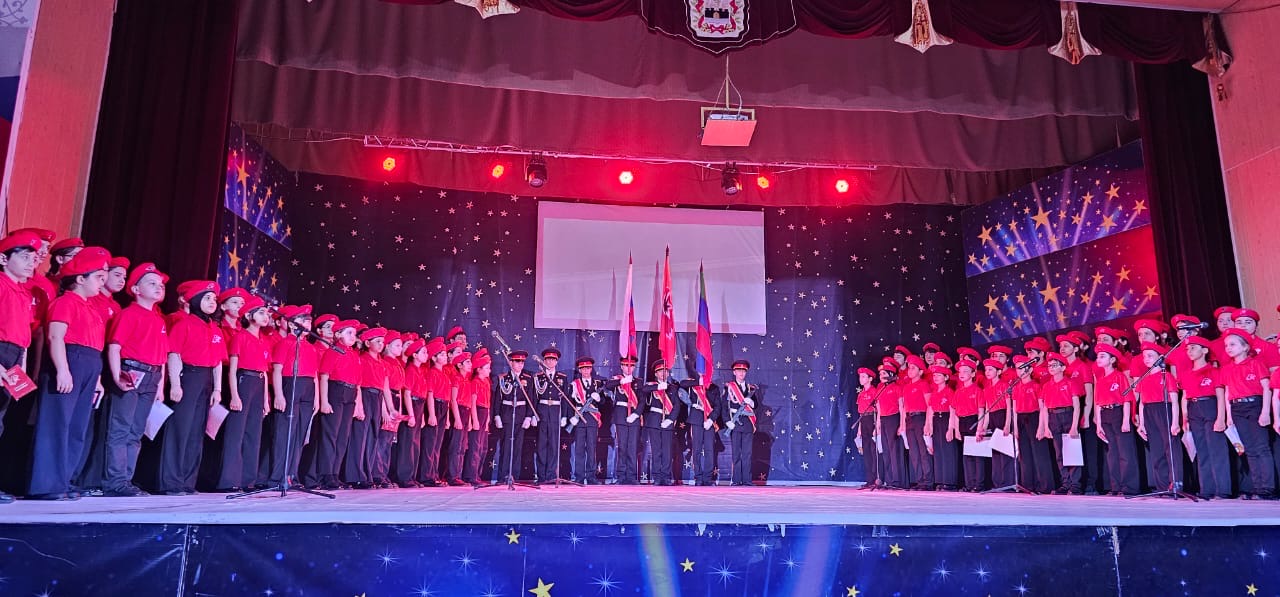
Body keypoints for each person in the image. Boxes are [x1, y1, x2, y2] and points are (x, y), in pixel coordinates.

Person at [27, 247, 110, 500]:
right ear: (80, 278)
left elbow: (95, 346)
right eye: (98, 277)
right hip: (69, 360)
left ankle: (65, 479)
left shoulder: (91, 308)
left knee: (77, 426)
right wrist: (62, 370)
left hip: (89, 364)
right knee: (56, 424)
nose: (102, 283)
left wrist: (97, 378)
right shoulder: (65, 302)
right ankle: (47, 484)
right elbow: (55, 337)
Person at [102, 263, 170, 497]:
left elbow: (162, 356)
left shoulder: (159, 320)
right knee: (121, 428)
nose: (158, 287)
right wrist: (116, 375)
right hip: (131, 372)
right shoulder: (128, 314)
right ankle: (115, 482)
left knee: (137, 430)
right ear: (135, 289)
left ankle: (127, 479)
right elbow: (114, 347)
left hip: (152, 376)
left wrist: (160, 386)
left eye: (160, 285)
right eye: (152, 283)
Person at [158, 281, 226, 495]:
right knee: (180, 429)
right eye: (207, 298)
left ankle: (188, 481)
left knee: (197, 431)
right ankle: (171, 482)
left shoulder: (215, 329)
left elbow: (218, 362)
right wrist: (175, 384)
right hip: (188, 376)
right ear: (195, 301)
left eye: (214, 299)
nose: (212, 302)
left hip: (206, 380)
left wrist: (217, 389)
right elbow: (174, 354)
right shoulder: (183, 324)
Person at [216, 295, 271, 492]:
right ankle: (229, 480)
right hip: (243, 381)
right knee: (236, 433)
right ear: (249, 315)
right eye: (261, 313)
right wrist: (235, 395)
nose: (266, 316)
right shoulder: (240, 337)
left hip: (259, 383)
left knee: (253, 433)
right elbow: (232, 370)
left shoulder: (264, 340)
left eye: (266, 313)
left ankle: (248, 480)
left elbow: (265, 371)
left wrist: (265, 400)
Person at [267, 305, 318, 487]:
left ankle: (292, 474)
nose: (307, 323)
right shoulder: (284, 343)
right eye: (302, 320)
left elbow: (315, 374)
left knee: (299, 434)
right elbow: (277, 370)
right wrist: (279, 395)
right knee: (285, 432)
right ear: (291, 324)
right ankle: (277, 477)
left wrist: (317, 399)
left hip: (308, 388)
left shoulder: (310, 347)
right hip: (291, 384)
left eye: (308, 321)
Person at [1219, 327, 1274, 499]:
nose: (1228, 348)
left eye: (1233, 344)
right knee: (1248, 449)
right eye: (1226, 345)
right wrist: (1229, 416)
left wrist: (1265, 412)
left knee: (1261, 447)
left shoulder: (1255, 364)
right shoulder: (1226, 368)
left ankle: (1268, 488)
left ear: (1245, 347)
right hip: (1237, 409)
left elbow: (1267, 388)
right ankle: (1257, 487)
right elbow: (1227, 392)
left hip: (1255, 405)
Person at [1178, 336, 1229, 499]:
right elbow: (1185, 396)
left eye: (1193, 347)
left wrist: (1221, 417)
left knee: (1216, 448)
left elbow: (1221, 396)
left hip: (1210, 405)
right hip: (1193, 408)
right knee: (1201, 449)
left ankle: (1223, 489)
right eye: (1188, 349)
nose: (1189, 351)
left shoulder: (1213, 371)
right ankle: (1207, 488)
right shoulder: (1186, 374)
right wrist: (1184, 417)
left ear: (1205, 350)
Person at [1134, 342, 1184, 493]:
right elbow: (1141, 403)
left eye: (1150, 356)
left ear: (1160, 357)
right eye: (1144, 356)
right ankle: (1161, 486)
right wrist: (1141, 424)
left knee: (1171, 448)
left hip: (1164, 410)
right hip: (1149, 412)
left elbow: (1174, 401)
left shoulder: (1167, 376)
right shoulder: (1144, 378)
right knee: (1156, 450)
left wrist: (1175, 422)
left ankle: (1175, 483)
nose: (1146, 359)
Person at [317, 319, 361, 490]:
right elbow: (324, 377)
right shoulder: (333, 351)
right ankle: (326, 474)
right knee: (331, 434)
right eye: (349, 332)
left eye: (354, 333)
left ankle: (335, 473)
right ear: (337, 334)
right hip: (336, 391)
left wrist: (357, 403)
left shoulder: (353, 354)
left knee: (343, 436)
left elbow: (357, 381)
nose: (352, 336)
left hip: (350, 393)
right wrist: (324, 401)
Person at [346, 327, 389, 489]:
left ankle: (367, 473)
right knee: (360, 436)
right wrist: (359, 405)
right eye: (377, 341)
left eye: (382, 342)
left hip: (377, 397)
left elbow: (383, 387)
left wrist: (386, 409)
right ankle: (355, 476)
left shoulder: (381, 363)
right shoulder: (362, 359)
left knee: (372, 436)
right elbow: (358, 383)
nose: (381, 344)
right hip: (364, 395)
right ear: (367, 343)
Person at [1094, 344, 1139, 496]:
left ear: (1112, 360)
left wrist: (1126, 419)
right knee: (1112, 452)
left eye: (1102, 356)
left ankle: (1129, 487)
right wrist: (1099, 424)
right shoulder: (1100, 380)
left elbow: (1127, 399)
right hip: (1105, 414)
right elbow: (1098, 403)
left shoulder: (1120, 376)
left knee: (1125, 452)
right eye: (1098, 356)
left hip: (1118, 413)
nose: (1098, 359)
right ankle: (1116, 486)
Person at [1041, 353, 1082, 494]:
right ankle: (1065, 483)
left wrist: (1074, 426)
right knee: (1059, 453)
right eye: (1049, 366)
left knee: (1072, 451)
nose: (1051, 368)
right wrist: (1046, 427)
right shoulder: (1046, 386)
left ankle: (1075, 485)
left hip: (1068, 415)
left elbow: (1077, 406)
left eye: (1055, 365)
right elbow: (1045, 408)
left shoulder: (1071, 383)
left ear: (1063, 368)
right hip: (1053, 417)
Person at [1010, 355, 1052, 493]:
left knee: (1039, 453)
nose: (1020, 371)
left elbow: (1042, 407)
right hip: (1021, 419)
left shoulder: (1036, 385)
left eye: (1022, 368)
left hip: (1034, 418)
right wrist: (1015, 427)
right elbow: (1014, 409)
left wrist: (1041, 426)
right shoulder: (1015, 387)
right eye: (1017, 368)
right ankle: (1027, 485)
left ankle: (1044, 486)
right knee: (1025, 454)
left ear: (1030, 370)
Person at [492, 349, 534, 484]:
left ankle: (514, 475)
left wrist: (529, 416)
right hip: (506, 414)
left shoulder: (528, 379)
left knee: (517, 447)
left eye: (522, 362)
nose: (520, 364)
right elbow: (497, 398)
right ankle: (503, 475)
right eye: (517, 361)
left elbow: (531, 399)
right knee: (506, 446)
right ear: (511, 363)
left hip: (521, 415)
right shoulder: (503, 378)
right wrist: (497, 415)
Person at [394, 338, 428, 487]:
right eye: (423, 352)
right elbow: (407, 394)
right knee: (407, 442)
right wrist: (411, 415)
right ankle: (404, 477)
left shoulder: (419, 370)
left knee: (415, 443)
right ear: (414, 355)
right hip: (412, 405)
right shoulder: (410, 370)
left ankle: (411, 476)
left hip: (419, 405)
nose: (426, 355)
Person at [373, 331, 405, 489]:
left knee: (389, 441)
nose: (400, 348)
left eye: (401, 345)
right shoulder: (385, 362)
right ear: (387, 346)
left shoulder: (397, 364)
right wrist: (385, 409)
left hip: (395, 399)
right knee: (382, 440)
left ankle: (384, 474)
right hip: (387, 399)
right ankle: (377, 475)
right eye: (397, 345)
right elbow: (384, 387)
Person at [532, 347, 569, 484]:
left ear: (556, 361)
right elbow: (534, 397)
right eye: (548, 359)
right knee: (541, 445)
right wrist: (533, 415)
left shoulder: (562, 378)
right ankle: (541, 475)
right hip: (542, 412)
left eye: (553, 359)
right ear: (544, 361)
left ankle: (551, 475)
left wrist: (564, 416)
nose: (550, 362)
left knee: (554, 445)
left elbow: (565, 398)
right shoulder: (538, 377)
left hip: (555, 412)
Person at [417, 337, 450, 487]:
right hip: (434, 406)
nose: (445, 357)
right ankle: (426, 476)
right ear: (434, 358)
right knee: (430, 443)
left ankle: (434, 474)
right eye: (442, 354)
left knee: (437, 443)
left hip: (443, 407)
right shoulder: (432, 373)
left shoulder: (444, 374)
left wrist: (446, 417)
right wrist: (431, 414)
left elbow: (447, 398)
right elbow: (430, 394)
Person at [605, 354, 643, 485]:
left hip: (634, 417)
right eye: (626, 365)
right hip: (621, 416)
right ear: (621, 366)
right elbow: (608, 386)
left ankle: (631, 476)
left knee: (632, 447)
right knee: (622, 446)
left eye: (631, 366)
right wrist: (621, 382)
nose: (629, 368)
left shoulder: (638, 382)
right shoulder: (617, 379)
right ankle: (621, 475)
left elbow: (642, 401)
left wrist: (636, 414)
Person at [680, 370, 722, 487]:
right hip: (696, 419)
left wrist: (711, 420)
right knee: (696, 449)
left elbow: (718, 407)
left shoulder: (714, 388)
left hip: (709, 421)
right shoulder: (694, 384)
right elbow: (682, 384)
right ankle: (698, 477)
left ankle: (707, 478)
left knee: (709, 450)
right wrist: (698, 382)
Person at [568, 356, 605, 485]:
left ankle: (591, 476)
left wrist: (599, 399)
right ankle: (579, 476)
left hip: (592, 419)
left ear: (591, 369)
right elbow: (569, 403)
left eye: (588, 368)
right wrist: (571, 418)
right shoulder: (574, 384)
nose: (586, 371)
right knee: (579, 448)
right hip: (579, 418)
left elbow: (604, 402)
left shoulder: (597, 384)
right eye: (583, 368)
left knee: (591, 448)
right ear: (579, 370)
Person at [978, 359, 1014, 488]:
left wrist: (1007, 424)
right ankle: (998, 483)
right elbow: (988, 410)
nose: (987, 372)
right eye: (986, 370)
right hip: (992, 418)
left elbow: (1009, 407)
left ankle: (1008, 483)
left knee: (1005, 451)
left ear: (998, 372)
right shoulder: (986, 389)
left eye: (990, 370)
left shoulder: (1005, 385)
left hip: (1003, 416)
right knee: (996, 451)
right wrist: (984, 427)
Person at [642, 359, 680, 486]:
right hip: (654, 422)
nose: (663, 374)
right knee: (656, 450)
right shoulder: (651, 386)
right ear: (656, 374)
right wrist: (658, 387)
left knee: (667, 451)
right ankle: (657, 476)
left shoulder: (673, 388)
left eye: (665, 371)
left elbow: (677, 406)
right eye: (660, 371)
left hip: (667, 422)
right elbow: (644, 390)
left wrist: (670, 419)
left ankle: (666, 476)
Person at [722, 359, 758, 487]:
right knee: (736, 453)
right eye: (739, 371)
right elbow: (724, 406)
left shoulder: (750, 388)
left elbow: (756, 405)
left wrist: (751, 402)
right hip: (735, 423)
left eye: (743, 371)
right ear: (734, 372)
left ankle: (747, 480)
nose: (741, 373)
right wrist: (727, 421)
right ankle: (736, 480)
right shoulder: (729, 387)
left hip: (747, 423)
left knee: (747, 453)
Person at [950, 361, 985, 491]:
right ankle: (969, 484)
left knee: (977, 455)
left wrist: (980, 428)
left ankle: (979, 484)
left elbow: (981, 410)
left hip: (974, 421)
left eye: (966, 371)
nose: (962, 374)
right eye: (960, 371)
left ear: (973, 374)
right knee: (967, 455)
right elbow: (955, 412)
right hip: (962, 423)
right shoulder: (958, 392)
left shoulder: (977, 390)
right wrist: (956, 429)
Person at [923, 365, 958, 490]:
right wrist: (929, 425)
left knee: (948, 451)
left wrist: (950, 428)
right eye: (934, 375)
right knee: (938, 450)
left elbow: (952, 411)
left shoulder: (949, 392)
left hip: (946, 419)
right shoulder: (934, 393)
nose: (936, 377)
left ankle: (950, 482)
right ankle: (940, 480)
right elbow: (930, 410)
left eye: (939, 375)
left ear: (946, 377)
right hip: (936, 420)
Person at [899, 356, 931, 490]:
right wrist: (903, 424)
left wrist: (928, 423)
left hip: (921, 417)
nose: (910, 370)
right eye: (909, 368)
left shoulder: (923, 384)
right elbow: (904, 407)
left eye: (913, 368)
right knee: (914, 452)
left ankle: (928, 481)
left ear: (920, 371)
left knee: (923, 451)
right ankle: (919, 480)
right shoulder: (906, 387)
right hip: (910, 419)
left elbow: (929, 405)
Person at [874, 362, 906, 489]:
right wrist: (878, 424)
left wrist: (902, 424)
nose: (881, 375)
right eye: (880, 374)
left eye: (884, 373)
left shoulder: (897, 387)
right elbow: (879, 408)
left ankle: (897, 480)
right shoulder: (880, 388)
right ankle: (889, 479)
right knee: (886, 450)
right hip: (883, 419)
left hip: (894, 418)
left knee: (894, 450)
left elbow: (901, 407)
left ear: (891, 374)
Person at [463, 352, 492, 487]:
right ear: (479, 369)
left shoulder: (486, 382)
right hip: (478, 412)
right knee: (475, 446)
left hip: (484, 412)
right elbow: (473, 402)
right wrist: (474, 419)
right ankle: (471, 475)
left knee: (483, 447)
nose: (489, 370)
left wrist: (487, 419)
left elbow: (488, 402)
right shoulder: (475, 382)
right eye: (487, 368)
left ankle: (478, 474)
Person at [444, 351, 473, 486]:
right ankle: (452, 475)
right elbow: (453, 399)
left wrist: (470, 420)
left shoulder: (467, 379)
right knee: (455, 445)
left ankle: (458, 474)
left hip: (466, 411)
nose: (470, 364)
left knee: (462, 446)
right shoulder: (456, 378)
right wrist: (457, 418)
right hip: (459, 411)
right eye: (467, 362)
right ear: (459, 365)